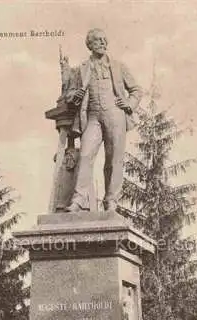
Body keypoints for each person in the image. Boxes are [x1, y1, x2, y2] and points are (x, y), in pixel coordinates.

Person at [65, 28, 142, 212]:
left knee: (113, 160)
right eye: (98, 40)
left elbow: (137, 90)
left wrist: (129, 103)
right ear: (89, 44)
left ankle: (111, 201)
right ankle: (79, 199)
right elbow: (69, 94)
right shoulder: (82, 69)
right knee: (84, 155)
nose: (103, 43)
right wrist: (75, 94)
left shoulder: (118, 66)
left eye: (104, 40)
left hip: (115, 115)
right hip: (92, 117)